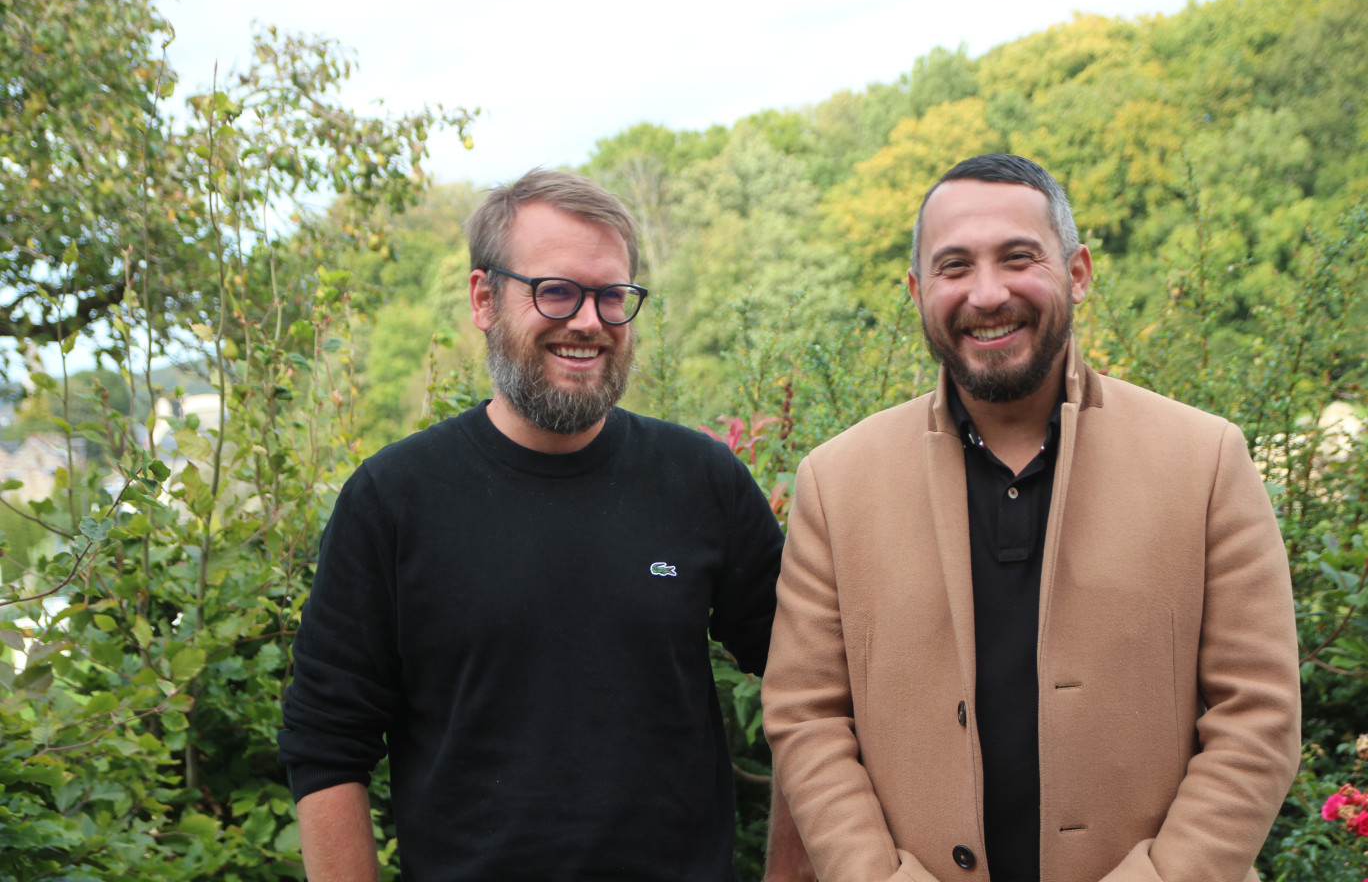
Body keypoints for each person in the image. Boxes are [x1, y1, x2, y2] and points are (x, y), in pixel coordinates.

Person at [761, 154, 1301, 882]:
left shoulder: (1205, 460)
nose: (987, 294)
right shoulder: (836, 482)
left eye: (1018, 258)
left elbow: (1258, 717)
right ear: (919, 292)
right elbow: (807, 717)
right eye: (954, 267)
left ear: (1077, 272)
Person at [279, 168, 794, 881]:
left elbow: (812, 683)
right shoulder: (393, 501)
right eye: (555, 290)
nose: (589, 321)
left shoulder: (700, 481)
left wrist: (792, 872)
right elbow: (327, 745)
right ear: (484, 298)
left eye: (612, 296)